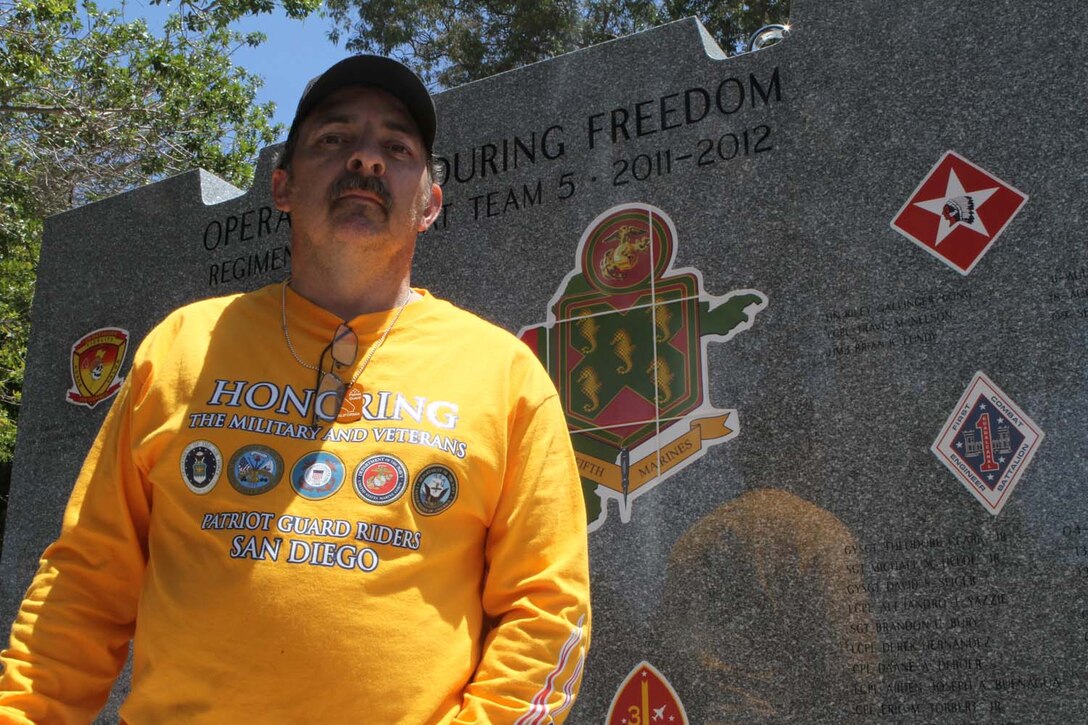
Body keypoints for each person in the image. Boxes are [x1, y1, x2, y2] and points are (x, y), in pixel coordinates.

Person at [0, 56, 590, 724]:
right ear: (281, 186)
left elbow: (548, 609)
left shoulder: (505, 375)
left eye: (396, 147)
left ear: (430, 202)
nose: (366, 160)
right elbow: (85, 580)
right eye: (334, 139)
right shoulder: (181, 347)